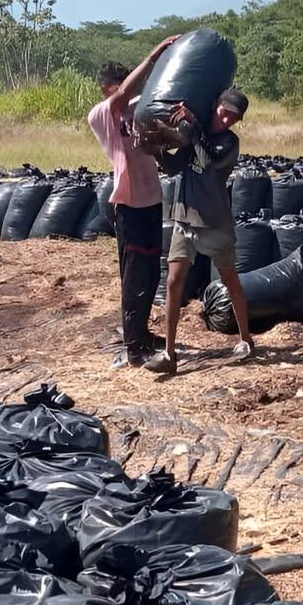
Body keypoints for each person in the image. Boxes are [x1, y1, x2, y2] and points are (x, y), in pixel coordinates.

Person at [144, 87, 253, 376]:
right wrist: (154, 148)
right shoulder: (196, 133)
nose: (228, 120)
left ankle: (246, 340)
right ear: (216, 104)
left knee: (230, 281)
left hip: (214, 222)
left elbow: (208, 161)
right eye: (225, 112)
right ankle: (169, 354)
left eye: (234, 117)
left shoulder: (229, 143)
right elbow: (174, 167)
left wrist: (192, 129)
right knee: (173, 283)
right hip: (184, 218)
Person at [88, 35, 179, 367]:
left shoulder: (140, 110)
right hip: (128, 204)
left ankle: (142, 333)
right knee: (134, 275)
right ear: (107, 89)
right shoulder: (101, 114)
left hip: (151, 198)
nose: (122, 92)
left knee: (151, 271)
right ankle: (133, 346)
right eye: (117, 86)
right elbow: (126, 94)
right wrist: (155, 54)